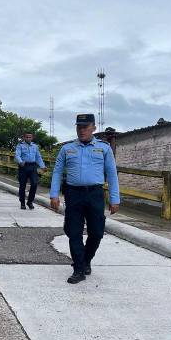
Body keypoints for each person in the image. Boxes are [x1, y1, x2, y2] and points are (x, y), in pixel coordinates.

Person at [49, 113, 120, 284]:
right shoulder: (67, 149)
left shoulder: (104, 148)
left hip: (95, 194)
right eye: (79, 127)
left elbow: (111, 174)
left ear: (93, 128)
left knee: (96, 232)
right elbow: (57, 172)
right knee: (73, 232)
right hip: (73, 194)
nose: (82, 130)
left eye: (85, 127)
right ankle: (79, 269)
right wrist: (54, 194)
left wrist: (115, 198)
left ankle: (86, 260)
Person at [15, 132, 46, 210]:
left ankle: (30, 201)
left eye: (30, 137)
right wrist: (20, 161)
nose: (28, 138)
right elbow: (17, 155)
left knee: (34, 184)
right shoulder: (20, 146)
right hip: (24, 166)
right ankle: (22, 202)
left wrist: (42, 166)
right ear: (24, 138)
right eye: (27, 137)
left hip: (33, 166)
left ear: (32, 138)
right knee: (22, 185)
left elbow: (38, 157)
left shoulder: (35, 146)